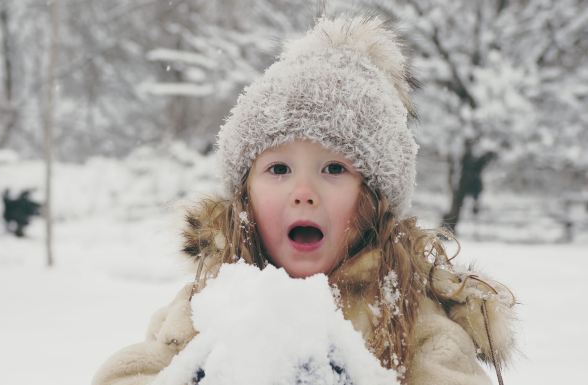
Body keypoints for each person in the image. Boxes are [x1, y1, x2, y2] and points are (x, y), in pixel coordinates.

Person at [92, 15, 517, 385]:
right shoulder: (212, 302)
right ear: (245, 197)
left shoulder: (411, 315)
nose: (303, 193)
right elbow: (128, 374)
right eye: (278, 170)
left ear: (373, 201)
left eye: (334, 169)